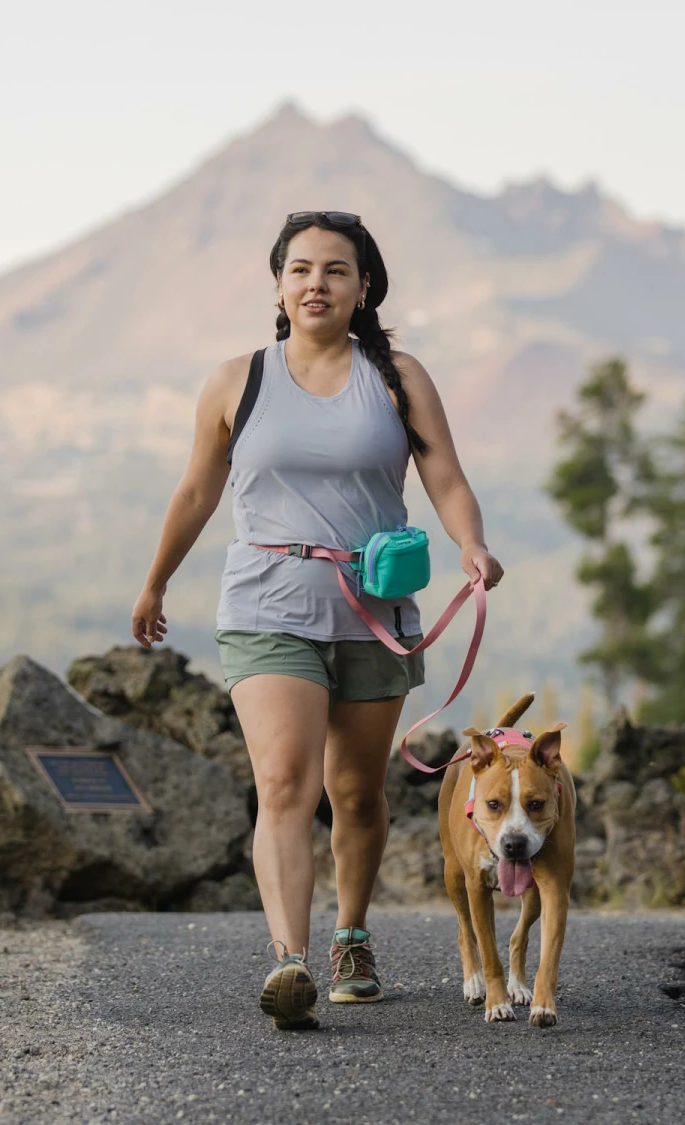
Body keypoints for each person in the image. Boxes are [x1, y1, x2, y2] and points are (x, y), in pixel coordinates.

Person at [131, 211, 502, 1031]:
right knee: (284, 782)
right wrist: (156, 582)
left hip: (373, 609)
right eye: (300, 269)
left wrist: (471, 543)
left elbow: (444, 476)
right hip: (266, 605)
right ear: (278, 285)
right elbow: (196, 490)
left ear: (363, 287)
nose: (316, 284)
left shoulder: (398, 377)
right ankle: (289, 960)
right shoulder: (237, 381)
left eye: (336, 270)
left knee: (357, 794)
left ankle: (351, 937)